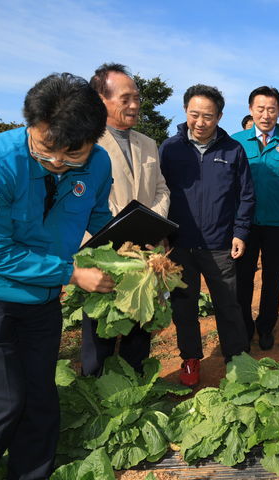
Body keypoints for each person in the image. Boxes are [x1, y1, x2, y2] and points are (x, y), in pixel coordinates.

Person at [0, 73, 115, 478]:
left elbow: (100, 218)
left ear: (95, 139)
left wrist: (128, 245)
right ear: (31, 124)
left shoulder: (98, 163)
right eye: (47, 149)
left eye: (72, 154)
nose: (58, 163)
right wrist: (70, 272)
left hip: (44, 306)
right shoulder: (0, 161)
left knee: (41, 401)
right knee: (6, 403)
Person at [160, 84, 255, 387]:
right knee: (183, 306)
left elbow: (246, 196)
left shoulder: (232, 150)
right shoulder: (170, 149)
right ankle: (190, 359)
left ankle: (236, 359)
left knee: (228, 304)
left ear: (220, 116)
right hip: (179, 244)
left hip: (219, 243)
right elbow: (158, 192)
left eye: (208, 116)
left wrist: (240, 232)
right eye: (194, 115)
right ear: (186, 111)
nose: (200, 122)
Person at [81, 63, 171, 376]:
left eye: (137, 98)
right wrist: (113, 241)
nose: (134, 105)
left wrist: (149, 225)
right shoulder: (84, 144)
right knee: (100, 332)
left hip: (145, 255)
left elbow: (161, 189)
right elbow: (79, 201)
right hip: (102, 257)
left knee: (139, 329)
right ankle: (94, 395)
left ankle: (136, 391)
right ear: (99, 100)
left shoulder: (148, 144)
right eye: (125, 98)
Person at [231, 87, 279, 351]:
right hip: (244, 225)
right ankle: (244, 328)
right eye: (260, 108)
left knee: (273, 279)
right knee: (243, 279)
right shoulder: (236, 141)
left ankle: (266, 327)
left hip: (276, 223)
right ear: (250, 109)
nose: (266, 114)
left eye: (271, 109)